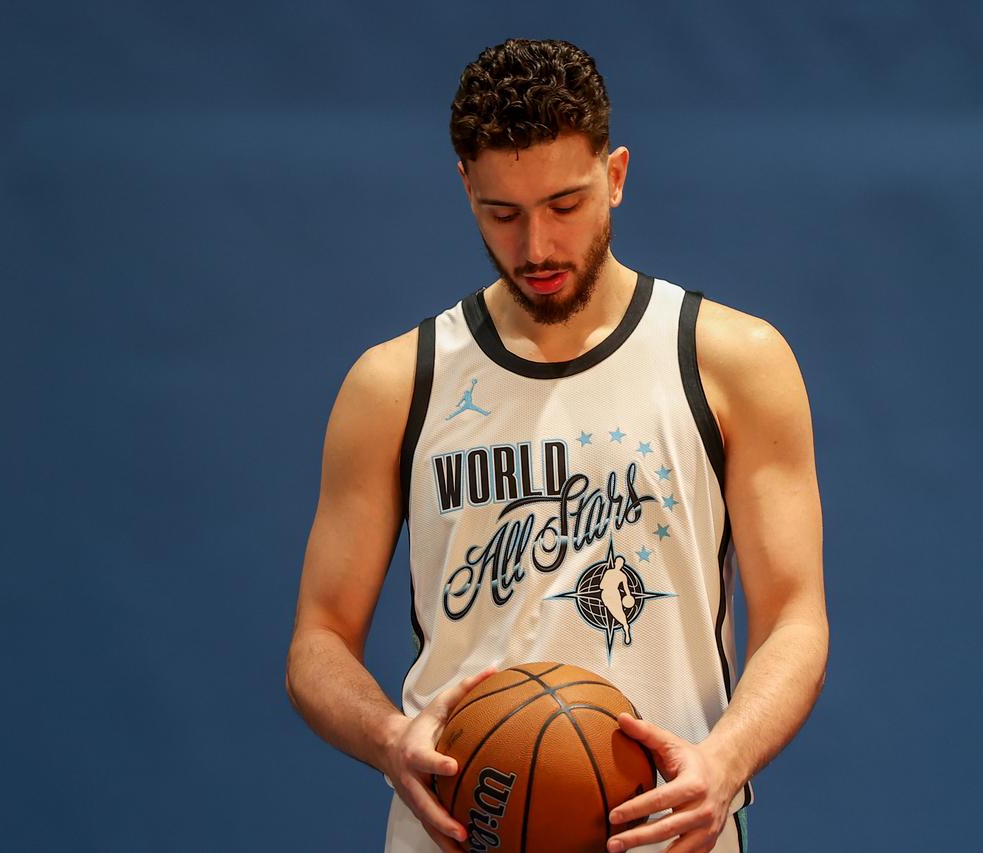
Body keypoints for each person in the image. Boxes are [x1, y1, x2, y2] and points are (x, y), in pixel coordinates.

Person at [286, 38, 828, 853]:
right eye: (502, 214)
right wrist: (386, 735)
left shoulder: (731, 362)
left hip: (663, 834)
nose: (536, 247)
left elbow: (794, 616)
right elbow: (317, 640)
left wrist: (724, 762)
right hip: (459, 832)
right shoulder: (398, 383)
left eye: (564, 205)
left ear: (615, 174)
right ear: (465, 186)